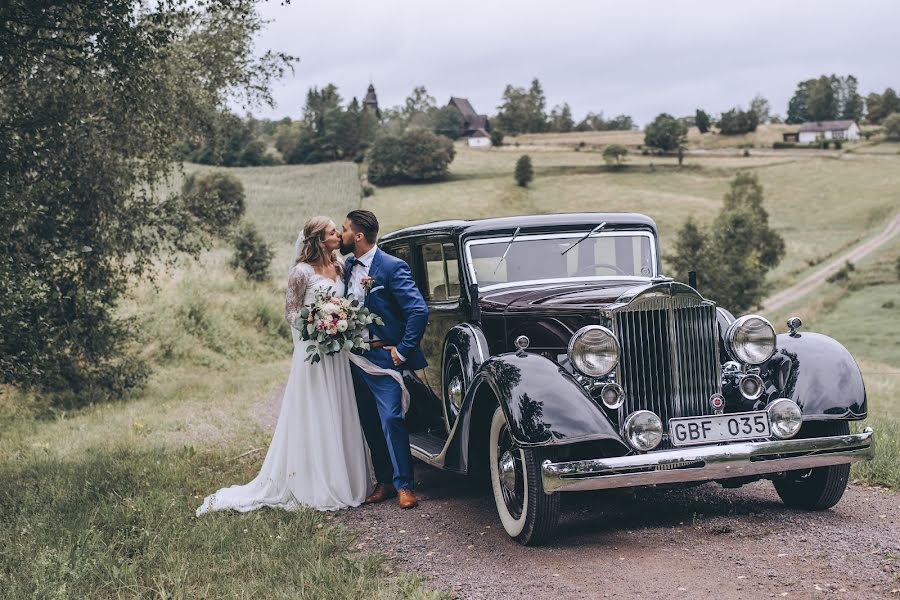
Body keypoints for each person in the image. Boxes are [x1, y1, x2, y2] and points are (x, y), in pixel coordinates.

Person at [196, 217, 371, 515]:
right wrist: (318, 327)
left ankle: (345, 476)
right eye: (332, 232)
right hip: (313, 350)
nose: (338, 235)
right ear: (318, 239)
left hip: (337, 353)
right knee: (316, 408)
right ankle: (313, 481)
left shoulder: (340, 266)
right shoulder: (300, 273)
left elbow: (349, 303)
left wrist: (339, 324)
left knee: (339, 407)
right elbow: (291, 313)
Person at [340, 210, 429, 509]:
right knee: (369, 421)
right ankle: (386, 482)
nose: (341, 235)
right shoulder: (348, 266)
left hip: (382, 355)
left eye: (345, 230)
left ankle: (406, 485)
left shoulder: (392, 267)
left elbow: (418, 311)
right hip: (354, 357)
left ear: (359, 235)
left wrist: (402, 350)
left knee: (391, 417)